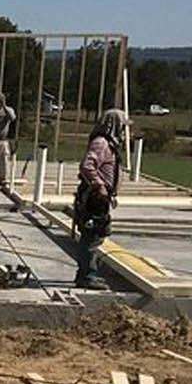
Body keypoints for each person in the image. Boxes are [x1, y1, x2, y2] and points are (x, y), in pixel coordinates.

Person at [73, 108, 128, 290]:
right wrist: (100, 186)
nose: (124, 131)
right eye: (122, 126)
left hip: (100, 197)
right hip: (94, 197)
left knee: (96, 235)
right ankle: (86, 276)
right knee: (92, 236)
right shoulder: (102, 143)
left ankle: (87, 273)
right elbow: (87, 166)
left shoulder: (108, 144)